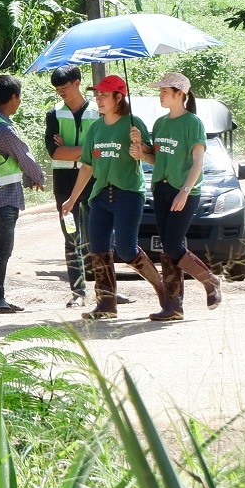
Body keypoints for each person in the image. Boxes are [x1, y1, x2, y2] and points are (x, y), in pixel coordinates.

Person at [58, 74, 160, 320]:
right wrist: (72, 199)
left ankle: (162, 289)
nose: (99, 99)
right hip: (100, 195)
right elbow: (87, 167)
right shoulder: (95, 128)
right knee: (98, 249)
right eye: (97, 95)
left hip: (128, 193)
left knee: (126, 249)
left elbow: (153, 158)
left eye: (104, 95)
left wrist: (141, 147)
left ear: (118, 96)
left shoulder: (134, 124)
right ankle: (106, 304)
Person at [146, 71, 221, 321]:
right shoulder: (160, 124)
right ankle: (173, 306)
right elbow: (156, 159)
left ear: (180, 94)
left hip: (185, 190)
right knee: (167, 250)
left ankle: (210, 281)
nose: (160, 95)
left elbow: (198, 162)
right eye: (160, 91)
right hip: (162, 189)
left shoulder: (192, 123)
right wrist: (140, 152)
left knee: (174, 246)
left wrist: (185, 191)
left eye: (164, 91)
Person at [0, 74, 47, 314]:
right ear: (13, 98)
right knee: (2, 248)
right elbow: (23, 154)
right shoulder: (3, 129)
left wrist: (27, 178)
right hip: (3, 195)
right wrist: (38, 176)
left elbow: (9, 158)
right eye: (20, 97)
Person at [44, 66, 100, 306]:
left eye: (64, 88)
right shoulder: (54, 114)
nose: (61, 93)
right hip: (65, 186)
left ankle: (106, 290)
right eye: (57, 90)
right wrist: (88, 151)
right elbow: (54, 152)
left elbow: (103, 151)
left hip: (95, 182)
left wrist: (72, 151)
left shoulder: (99, 111)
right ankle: (78, 293)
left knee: (100, 236)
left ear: (77, 83)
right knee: (71, 236)